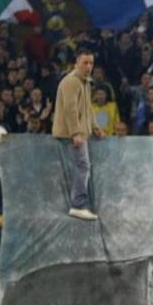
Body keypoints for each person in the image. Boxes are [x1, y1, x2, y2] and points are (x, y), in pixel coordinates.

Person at [51, 48, 104, 220]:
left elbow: (87, 108)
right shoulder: (72, 81)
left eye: (91, 63)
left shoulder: (85, 82)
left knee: (82, 166)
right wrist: (75, 133)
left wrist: (95, 127)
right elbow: (70, 109)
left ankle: (79, 203)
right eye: (85, 63)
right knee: (82, 166)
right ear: (77, 63)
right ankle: (78, 205)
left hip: (80, 132)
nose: (88, 66)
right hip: (71, 133)